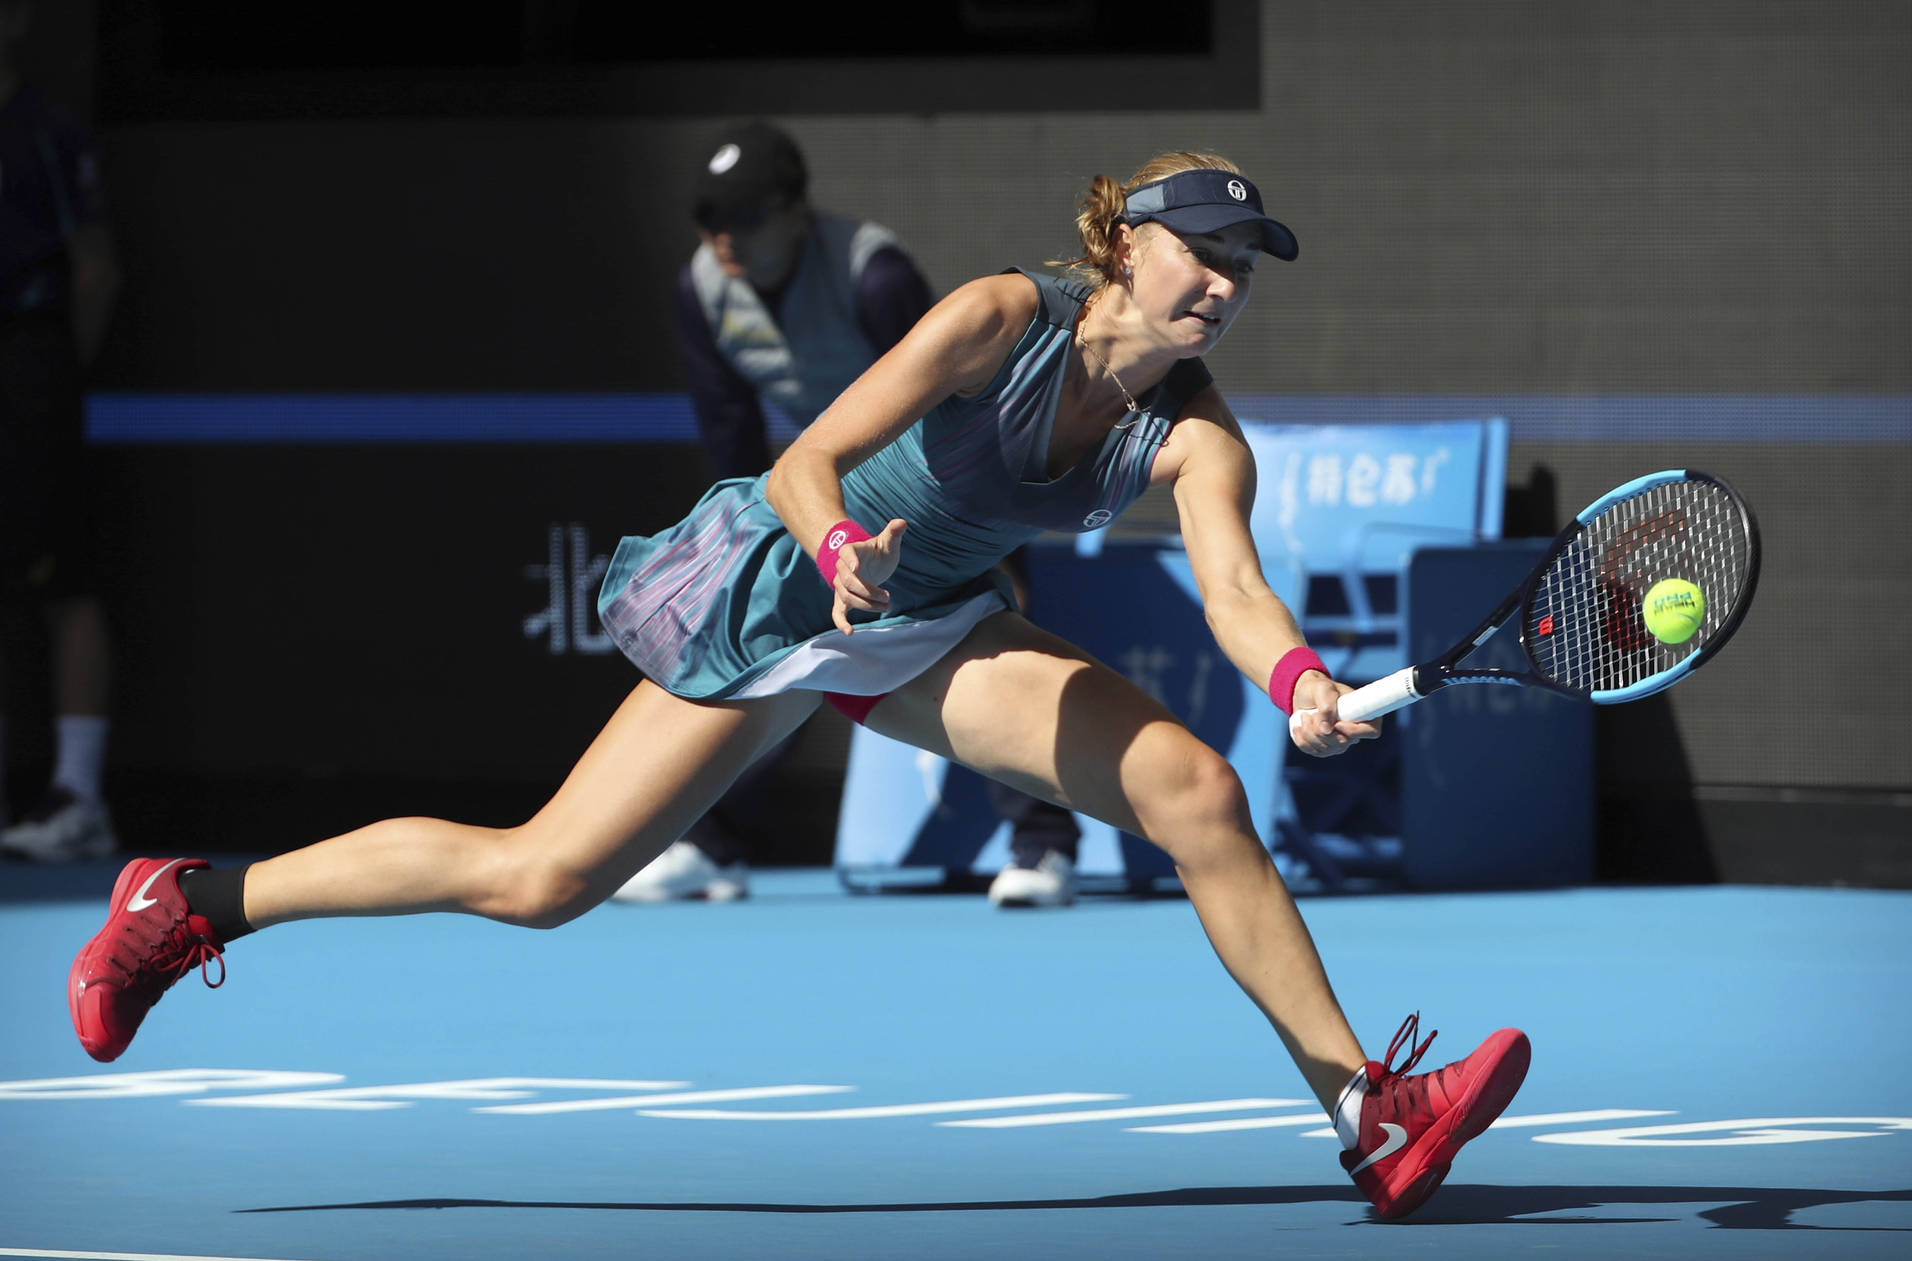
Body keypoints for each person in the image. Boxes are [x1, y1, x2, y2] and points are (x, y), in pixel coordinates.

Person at [66, 151, 1531, 1220]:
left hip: (929, 625)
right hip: (778, 585)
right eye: (1204, 251)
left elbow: (1228, 586)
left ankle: (1369, 1110)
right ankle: (189, 901)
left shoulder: (1201, 437)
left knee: (1192, 786)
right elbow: (800, 459)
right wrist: (840, 552)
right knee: (541, 878)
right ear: (1126, 244)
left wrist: (1294, 679)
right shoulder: (996, 317)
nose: (1226, 283)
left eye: (1245, 264)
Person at [622, 118, 1084, 907]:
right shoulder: (702, 288)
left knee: (992, 646)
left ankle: (1044, 847)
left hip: (955, 486)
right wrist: (765, 542)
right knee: (755, 634)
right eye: (709, 221)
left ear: (797, 211)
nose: (723, 239)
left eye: (745, 219)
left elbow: (952, 401)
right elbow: (730, 431)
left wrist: (960, 537)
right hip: (824, 494)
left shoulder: (875, 275)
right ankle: (712, 843)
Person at [0, 0, 122, 862]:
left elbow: (95, 268)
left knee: (62, 579)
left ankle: (76, 798)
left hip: (31, 365)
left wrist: (50, 367)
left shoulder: (45, 129)